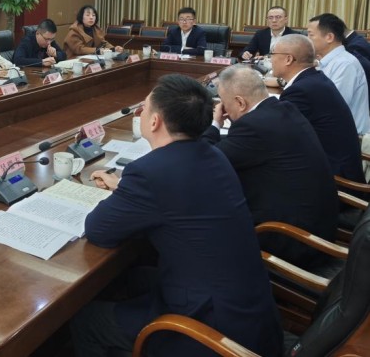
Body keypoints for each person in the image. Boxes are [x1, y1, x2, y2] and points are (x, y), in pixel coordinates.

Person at [71, 74, 281, 357]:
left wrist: (130, 190)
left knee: (86, 322)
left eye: (144, 108)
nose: (141, 113)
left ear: (155, 121)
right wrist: (126, 189)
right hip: (251, 316)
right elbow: (176, 192)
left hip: (212, 334)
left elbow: (98, 230)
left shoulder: (149, 173)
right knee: (131, 277)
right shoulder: (213, 155)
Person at [201, 65, 338, 268]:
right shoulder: (285, 108)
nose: (223, 108)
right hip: (319, 229)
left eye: (223, 101)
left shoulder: (254, 127)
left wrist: (215, 125)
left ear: (240, 102)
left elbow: (204, 160)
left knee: (203, 223)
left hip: (292, 242)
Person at [268, 34, 365, 183]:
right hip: (335, 166)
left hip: (335, 180)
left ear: (288, 59)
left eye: (272, 54)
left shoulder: (300, 90)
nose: (270, 60)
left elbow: (277, 133)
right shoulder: (313, 79)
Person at [307, 14, 370, 134]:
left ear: (329, 37)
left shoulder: (345, 64)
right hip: (331, 129)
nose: (307, 40)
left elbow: (331, 107)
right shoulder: (327, 61)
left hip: (347, 135)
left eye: (311, 35)